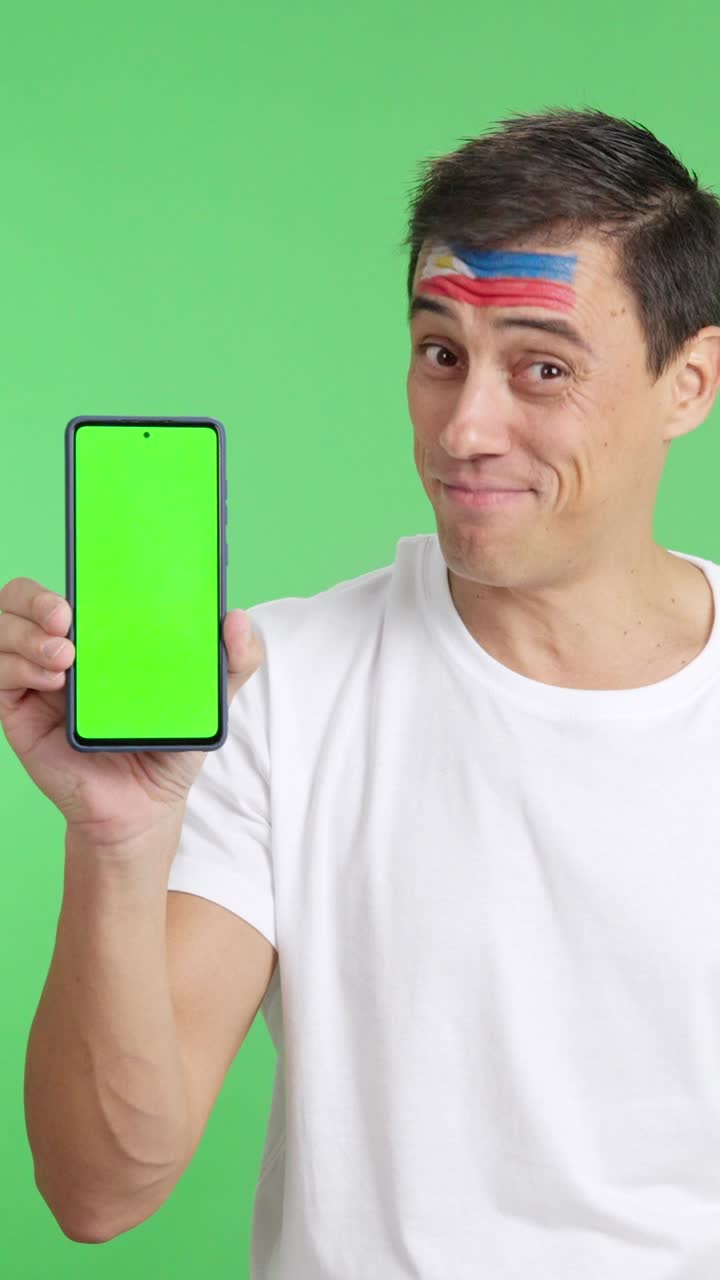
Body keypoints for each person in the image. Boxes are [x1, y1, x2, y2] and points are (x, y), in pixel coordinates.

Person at [6, 104, 720, 1277]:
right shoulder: (280, 695)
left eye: (541, 367)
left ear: (687, 382)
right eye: (441, 354)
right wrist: (119, 840)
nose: (466, 427)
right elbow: (99, 1187)